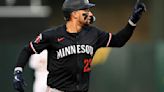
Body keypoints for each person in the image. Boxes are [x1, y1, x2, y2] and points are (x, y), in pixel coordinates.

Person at [13, 0, 146, 92]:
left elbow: (119, 41)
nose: (89, 13)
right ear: (74, 13)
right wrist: (18, 70)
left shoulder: (94, 34)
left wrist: (132, 21)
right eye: (86, 9)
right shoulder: (52, 35)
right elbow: (27, 50)